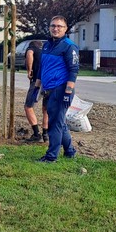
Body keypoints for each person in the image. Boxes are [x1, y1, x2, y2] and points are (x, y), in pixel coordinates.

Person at [34, 16, 79, 162]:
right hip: (49, 89)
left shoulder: (69, 46)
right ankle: (70, 151)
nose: (56, 28)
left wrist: (67, 93)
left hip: (61, 90)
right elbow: (42, 67)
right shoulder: (47, 45)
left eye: (60, 26)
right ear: (49, 27)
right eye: (53, 25)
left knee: (55, 125)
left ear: (65, 29)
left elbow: (73, 70)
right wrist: (37, 86)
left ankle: (51, 156)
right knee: (59, 123)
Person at [23, 39, 48, 143]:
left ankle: (36, 134)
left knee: (28, 106)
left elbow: (29, 54)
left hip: (37, 82)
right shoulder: (46, 52)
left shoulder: (32, 49)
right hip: (48, 82)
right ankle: (46, 134)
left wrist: (29, 70)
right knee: (46, 109)